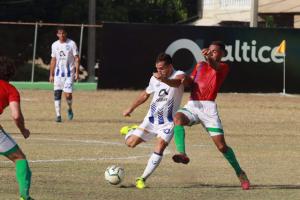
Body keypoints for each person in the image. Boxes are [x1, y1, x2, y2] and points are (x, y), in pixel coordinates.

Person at [172, 41, 250, 190]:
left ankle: (240, 173)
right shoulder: (200, 65)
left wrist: (209, 58)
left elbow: (214, 65)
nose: (212, 52)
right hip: (193, 104)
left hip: (208, 108)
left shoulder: (223, 66)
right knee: (178, 118)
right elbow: (191, 82)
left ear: (222, 54)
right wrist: (184, 78)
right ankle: (182, 154)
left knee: (221, 146)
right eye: (210, 50)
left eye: (215, 51)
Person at [120, 53, 187, 189]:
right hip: (151, 120)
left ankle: (142, 178)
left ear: (170, 66)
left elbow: (177, 83)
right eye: (157, 68)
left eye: (162, 68)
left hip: (168, 122)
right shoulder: (155, 78)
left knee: (160, 145)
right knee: (130, 143)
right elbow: (145, 94)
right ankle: (132, 129)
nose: (159, 71)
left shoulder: (179, 74)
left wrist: (162, 79)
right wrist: (131, 108)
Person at [0, 56, 33, 200]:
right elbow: (16, 116)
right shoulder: (10, 90)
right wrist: (23, 130)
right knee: (20, 158)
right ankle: (24, 197)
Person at [49, 26, 80, 122]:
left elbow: (77, 58)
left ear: (66, 34)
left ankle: (69, 108)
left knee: (68, 95)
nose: (61, 35)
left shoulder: (71, 44)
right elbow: (53, 60)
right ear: (57, 34)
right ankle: (58, 116)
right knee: (57, 94)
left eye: (63, 33)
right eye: (60, 33)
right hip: (58, 74)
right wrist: (51, 74)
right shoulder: (54, 45)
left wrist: (77, 72)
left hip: (69, 74)